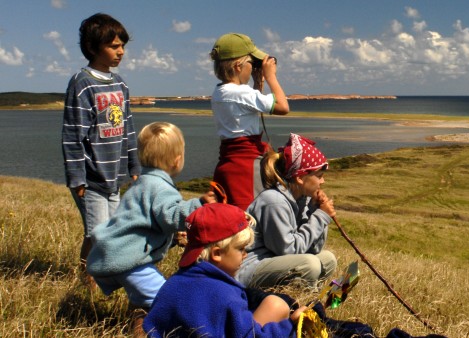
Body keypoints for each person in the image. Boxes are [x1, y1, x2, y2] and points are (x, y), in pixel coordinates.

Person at [85, 122, 215, 336]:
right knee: (167, 299)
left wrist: (171, 239)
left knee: (145, 303)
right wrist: (199, 205)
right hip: (129, 262)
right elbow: (172, 216)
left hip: (118, 256)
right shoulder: (161, 188)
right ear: (177, 159)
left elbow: (144, 223)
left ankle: (138, 329)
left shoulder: (142, 184)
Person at [144, 203, 307, 337]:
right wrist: (290, 326)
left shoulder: (172, 283)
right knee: (277, 306)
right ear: (217, 253)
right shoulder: (225, 296)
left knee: (274, 303)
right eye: (241, 249)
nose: (245, 255)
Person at [61, 12, 140, 288]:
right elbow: (73, 134)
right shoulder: (82, 82)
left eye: (122, 46)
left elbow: (128, 128)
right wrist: (77, 177)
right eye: (114, 46)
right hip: (92, 178)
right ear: (94, 48)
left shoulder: (120, 84)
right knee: (100, 233)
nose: (121, 52)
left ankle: (85, 276)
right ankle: (92, 283)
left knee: (102, 231)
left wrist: (134, 166)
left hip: (114, 177)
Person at [237, 133, 337, 289]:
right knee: (310, 264)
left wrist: (314, 210)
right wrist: (321, 217)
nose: (322, 181)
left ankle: (302, 295)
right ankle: (301, 303)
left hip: (273, 261)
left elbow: (314, 248)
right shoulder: (274, 202)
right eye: (319, 176)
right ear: (299, 178)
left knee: (328, 259)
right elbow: (288, 250)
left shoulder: (300, 199)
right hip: (251, 268)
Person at [209, 32, 289, 211]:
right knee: (252, 217)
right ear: (239, 66)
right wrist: (271, 77)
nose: (253, 68)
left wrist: (257, 85)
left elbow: (245, 109)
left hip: (228, 164)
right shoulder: (242, 93)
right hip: (246, 166)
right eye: (251, 64)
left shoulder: (219, 92)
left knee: (230, 215)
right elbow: (283, 107)